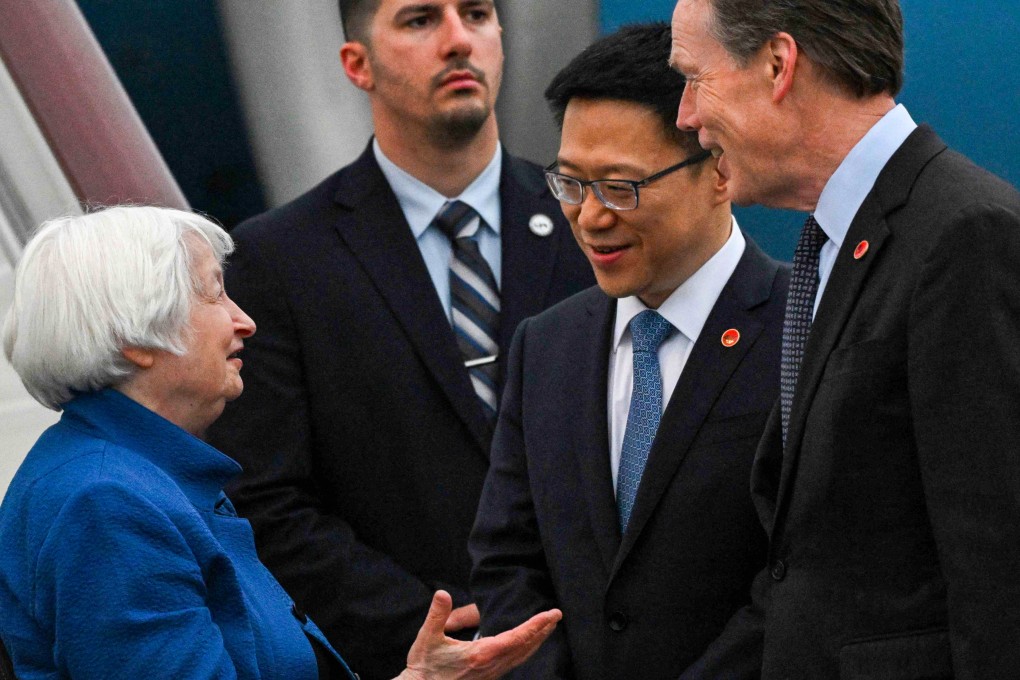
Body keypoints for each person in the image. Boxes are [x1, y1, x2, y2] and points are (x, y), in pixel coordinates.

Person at [0, 206, 561, 680]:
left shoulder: (129, 477)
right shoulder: (106, 502)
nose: (244, 321)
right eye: (214, 296)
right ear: (133, 339)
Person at [204, 1, 593, 676]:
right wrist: (425, 626)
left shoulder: (590, 227)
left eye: (476, 13)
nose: (457, 40)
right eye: (419, 20)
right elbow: (264, 500)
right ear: (357, 64)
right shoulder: (278, 262)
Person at [669, 0, 1020, 677]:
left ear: (777, 64)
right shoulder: (831, 247)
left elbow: (1001, 578)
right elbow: (810, 574)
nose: (686, 116)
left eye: (694, 77)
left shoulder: (965, 237)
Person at [468, 23, 788, 680]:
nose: (590, 217)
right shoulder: (546, 347)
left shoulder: (807, 333)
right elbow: (507, 563)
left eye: (621, 187)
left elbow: (806, 573)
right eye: (570, 184)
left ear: (721, 166)